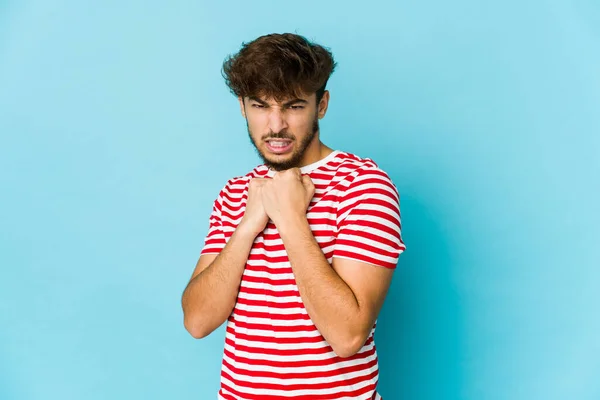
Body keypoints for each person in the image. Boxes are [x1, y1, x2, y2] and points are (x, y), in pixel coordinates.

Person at [181, 32, 406, 400]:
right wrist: (249, 224)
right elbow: (197, 320)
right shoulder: (236, 193)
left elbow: (348, 335)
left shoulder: (361, 185)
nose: (275, 125)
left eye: (294, 106)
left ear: (321, 105)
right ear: (242, 106)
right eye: (260, 106)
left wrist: (290, 218)